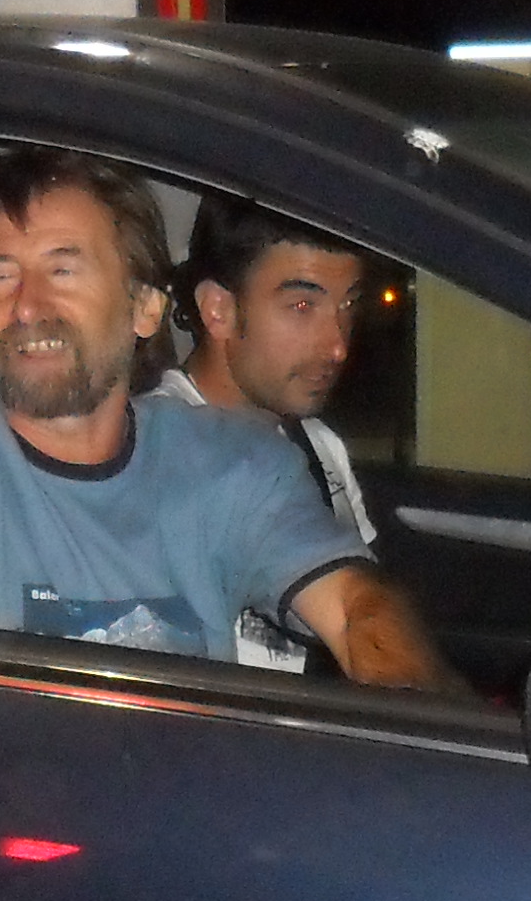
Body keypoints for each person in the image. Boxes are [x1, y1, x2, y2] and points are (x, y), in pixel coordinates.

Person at [0, 147, 461, 690]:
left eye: (63, 270)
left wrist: (425, 740)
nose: (27, 306)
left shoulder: (233, 459)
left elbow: (356, 607)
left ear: (145, 308)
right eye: (1, 277)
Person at [150, 192, 379, 670]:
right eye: (302, 306)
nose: (337, 345)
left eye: (349, 304)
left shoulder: (321, 448)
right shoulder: (150, 457)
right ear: (219, 309)